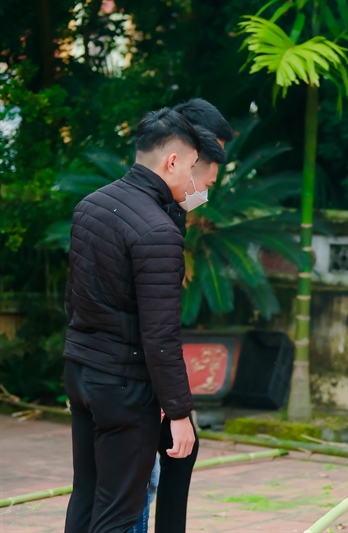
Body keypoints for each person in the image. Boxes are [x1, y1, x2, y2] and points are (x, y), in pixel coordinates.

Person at [63, 107, 201, 532]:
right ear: (172, 161)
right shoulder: (157, 231)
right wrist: (179, 413)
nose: (192, 179)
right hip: (123, 387)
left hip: (81, 373)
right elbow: (160, 334)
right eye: (192, 167)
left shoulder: (91, 205)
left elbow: (74, 300)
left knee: (86, 496)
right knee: (117, 513)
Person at [136, 99, 233, 533]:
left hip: (143, 362)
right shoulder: (153, 215)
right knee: (147, 470)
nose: (211, 180)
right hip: (133, 368)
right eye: (209, 159)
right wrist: (170, 402)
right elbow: (153, 320)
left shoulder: (172, 208)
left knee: (179, 454)